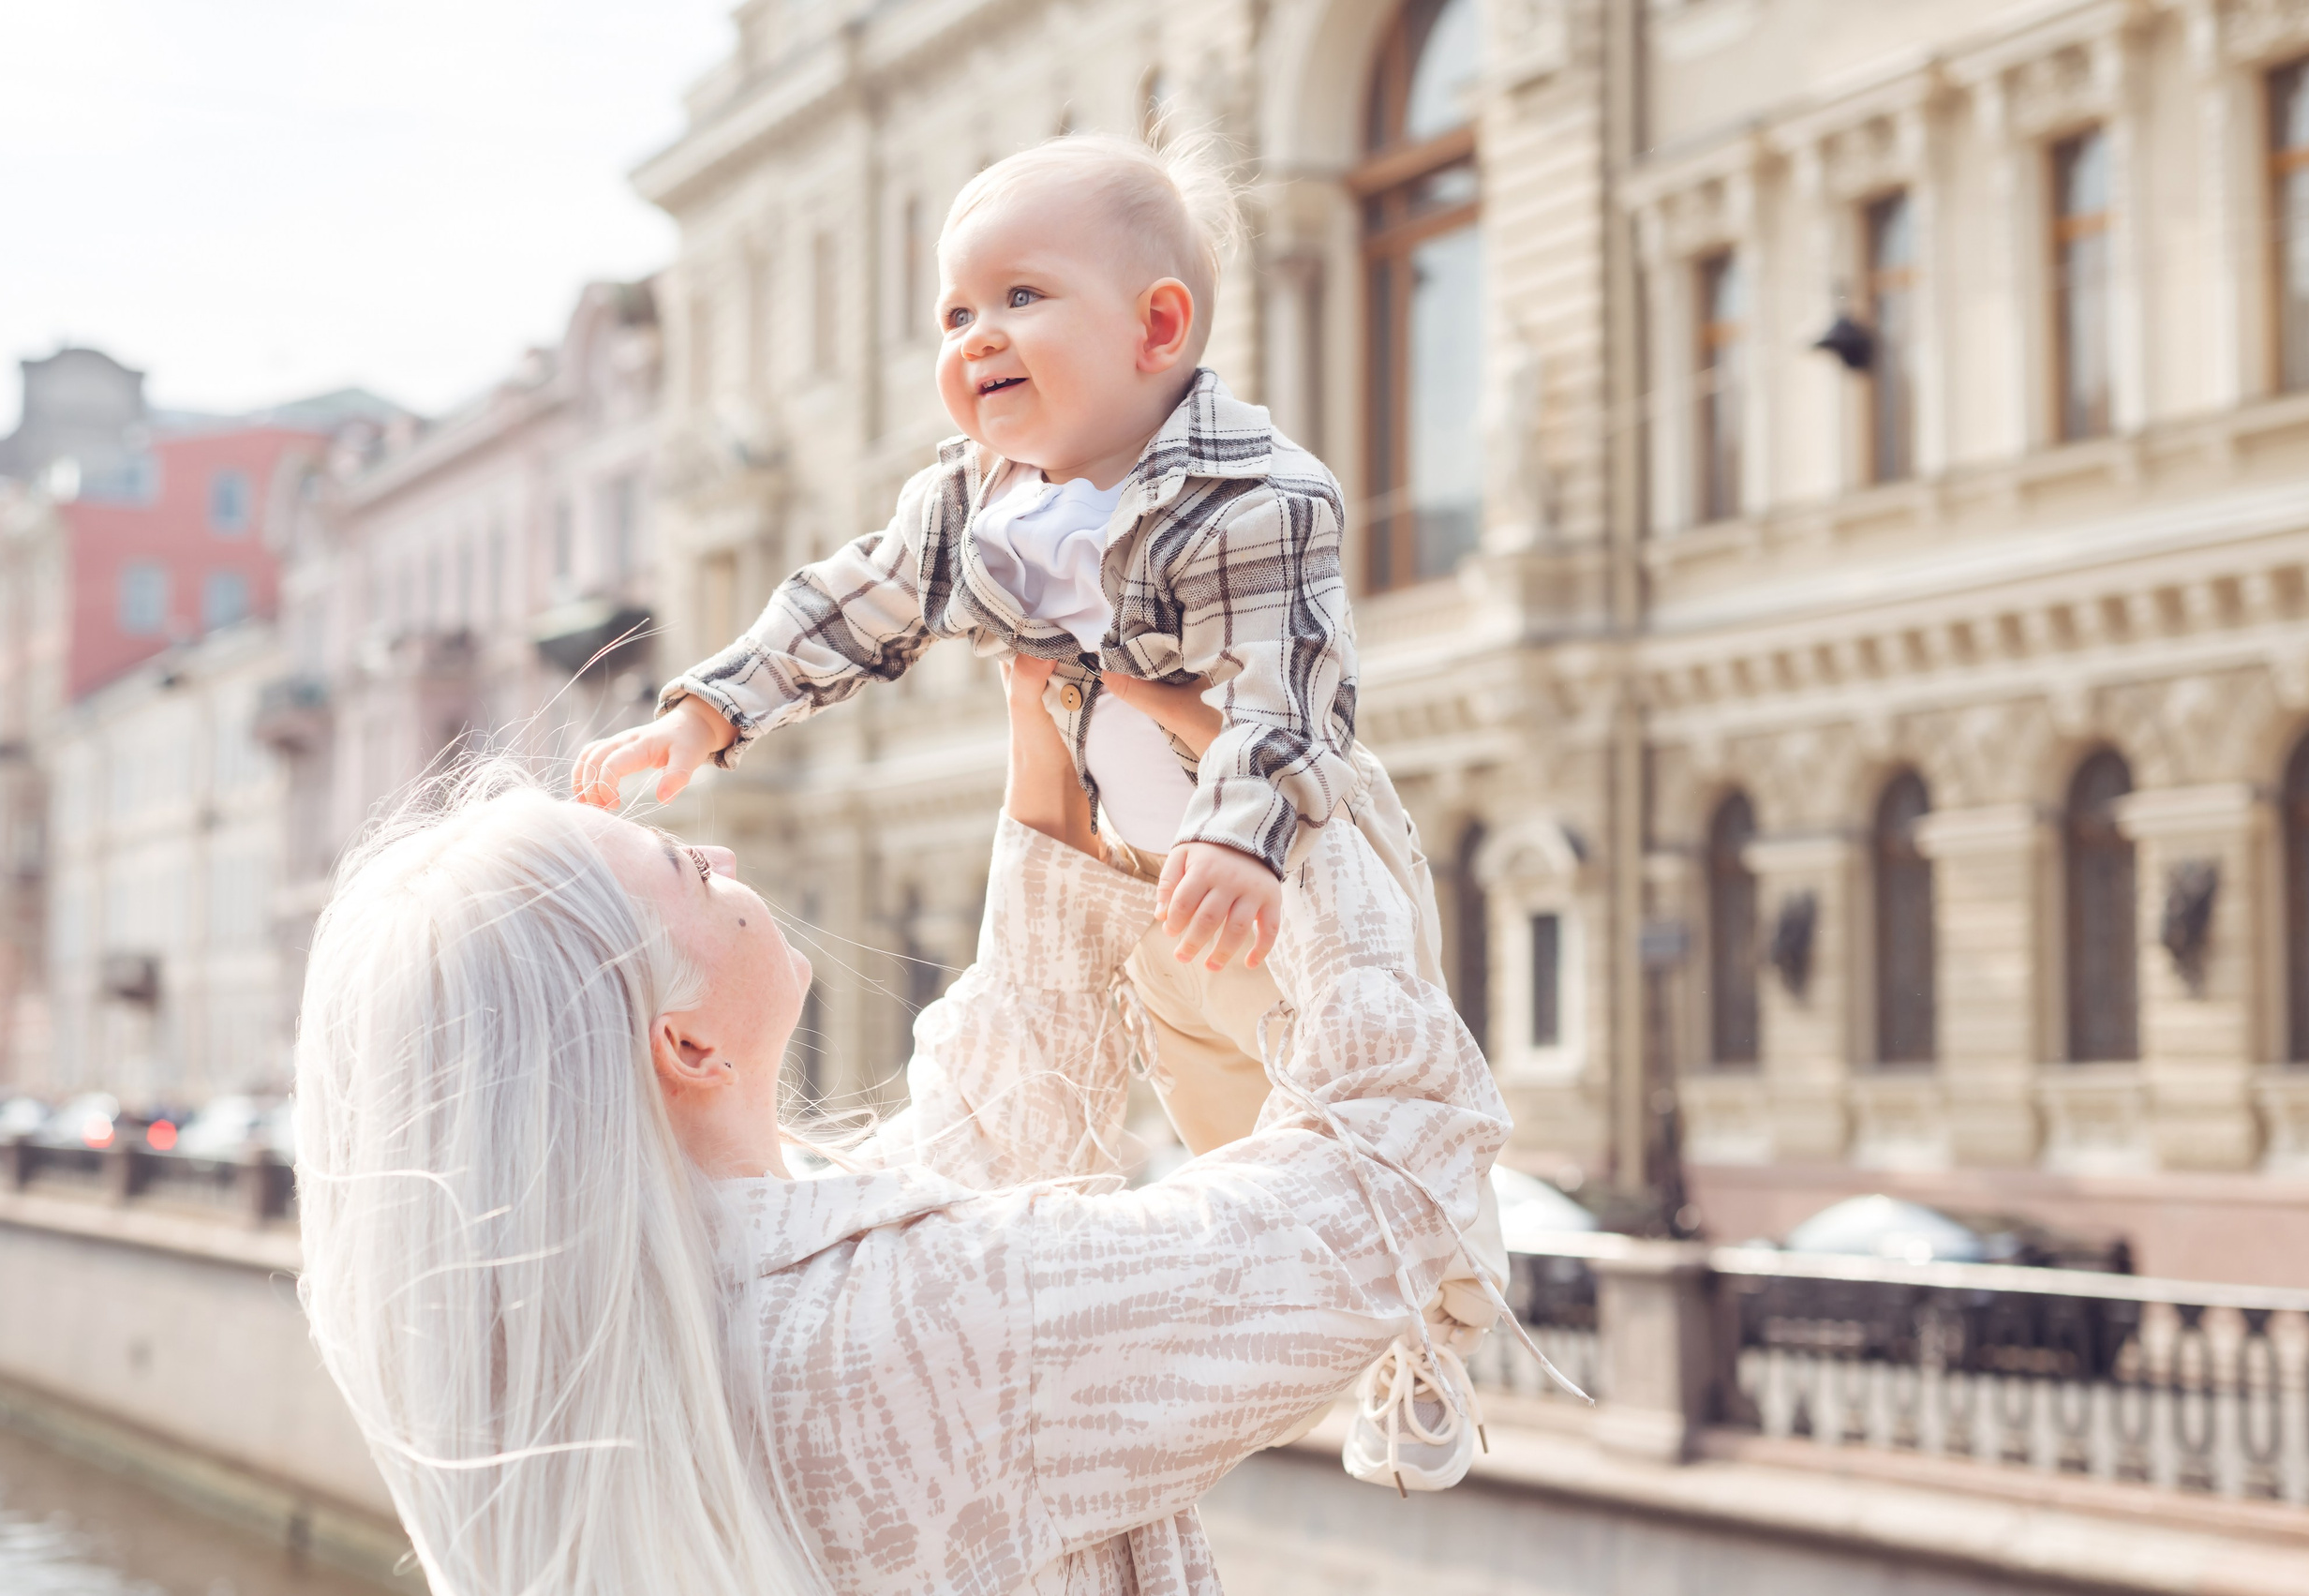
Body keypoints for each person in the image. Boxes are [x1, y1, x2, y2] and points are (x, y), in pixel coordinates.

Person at [572, 132, 1506, 1486]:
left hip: (1266, 830)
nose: (975, 337)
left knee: (1340, 1030)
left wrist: (1243, 844)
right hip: (1077, 839)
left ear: (1158, 327)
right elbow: (858, 601)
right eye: (955, 311)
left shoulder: (1259, 492)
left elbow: (1294, 693)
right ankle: (1024, 1255)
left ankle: (1424, 1328)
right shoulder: (967, 503)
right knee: (1072, 1046)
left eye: (1021, 298)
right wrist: (708, 713)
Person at [294, 665, 1510, 1596]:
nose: (720, 853)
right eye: (682, 869)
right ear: (686, 1045)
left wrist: (1049, 761)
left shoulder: (647, 1320)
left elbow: (982, 1139)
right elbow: (1393, 1174)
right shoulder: (909, 1327)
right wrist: (1288, 793)